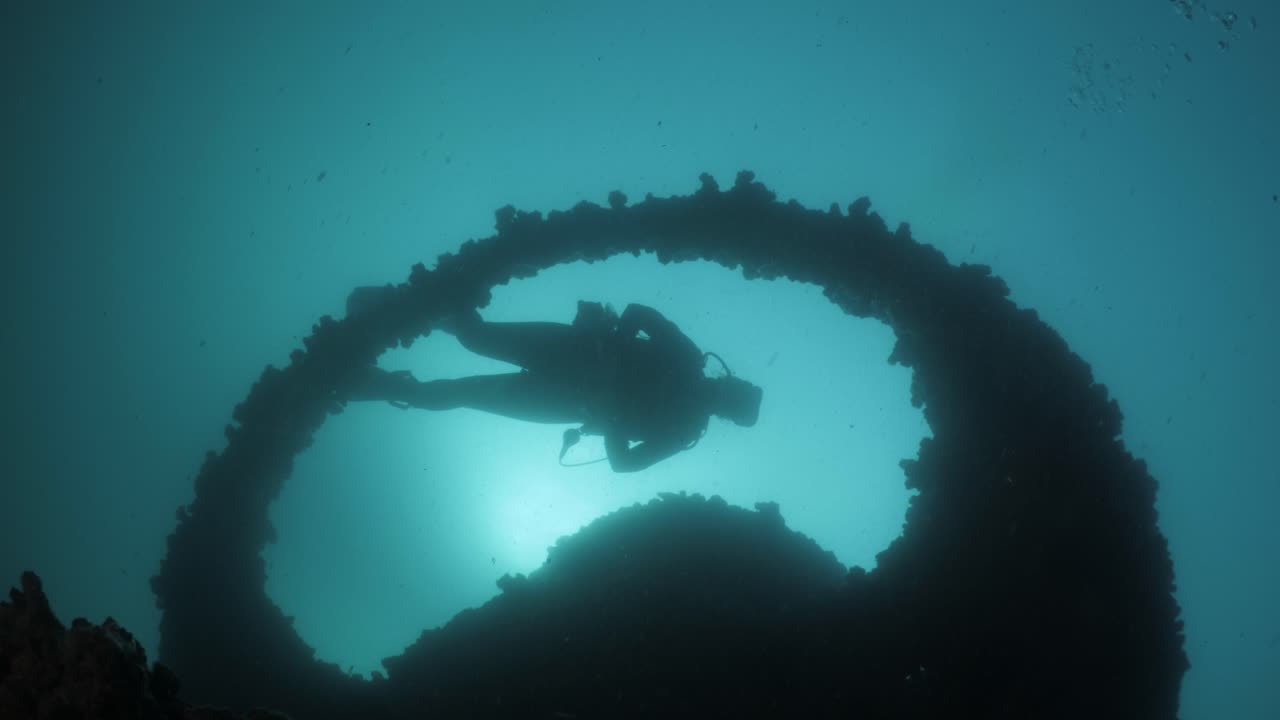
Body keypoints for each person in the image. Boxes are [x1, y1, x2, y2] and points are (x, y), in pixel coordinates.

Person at [345, 299, 762, 473]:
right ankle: (392, 308)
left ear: (724, 412)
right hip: (572, 352)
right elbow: (638, 312)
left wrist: (610, 416)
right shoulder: (686, 359)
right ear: (729, 379)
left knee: (465, 392)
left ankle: (378, 385)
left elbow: (624, 465)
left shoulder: (683, 429)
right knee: (476, 338)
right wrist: (612, 352)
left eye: (729, 399)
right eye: (731, 389)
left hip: (563, 401)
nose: (721, 393)